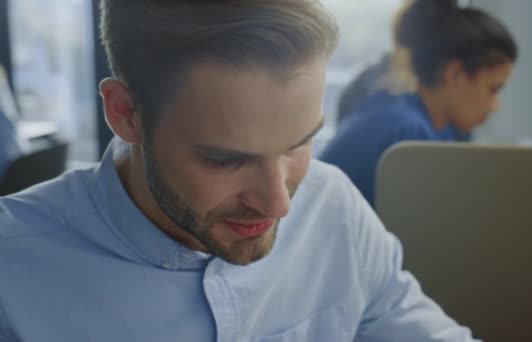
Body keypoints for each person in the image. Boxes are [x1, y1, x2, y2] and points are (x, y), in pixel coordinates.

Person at [0, 1, 479, 340]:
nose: (280, 204)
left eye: (300, 143)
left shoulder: (333, 206)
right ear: (125, 114)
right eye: (225, 159)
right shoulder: (13, 274)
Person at [321, 0, 518, 208]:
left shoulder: (432, 126)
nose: (496, 106)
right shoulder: (407, 135)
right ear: (456, 74)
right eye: (493, 89)